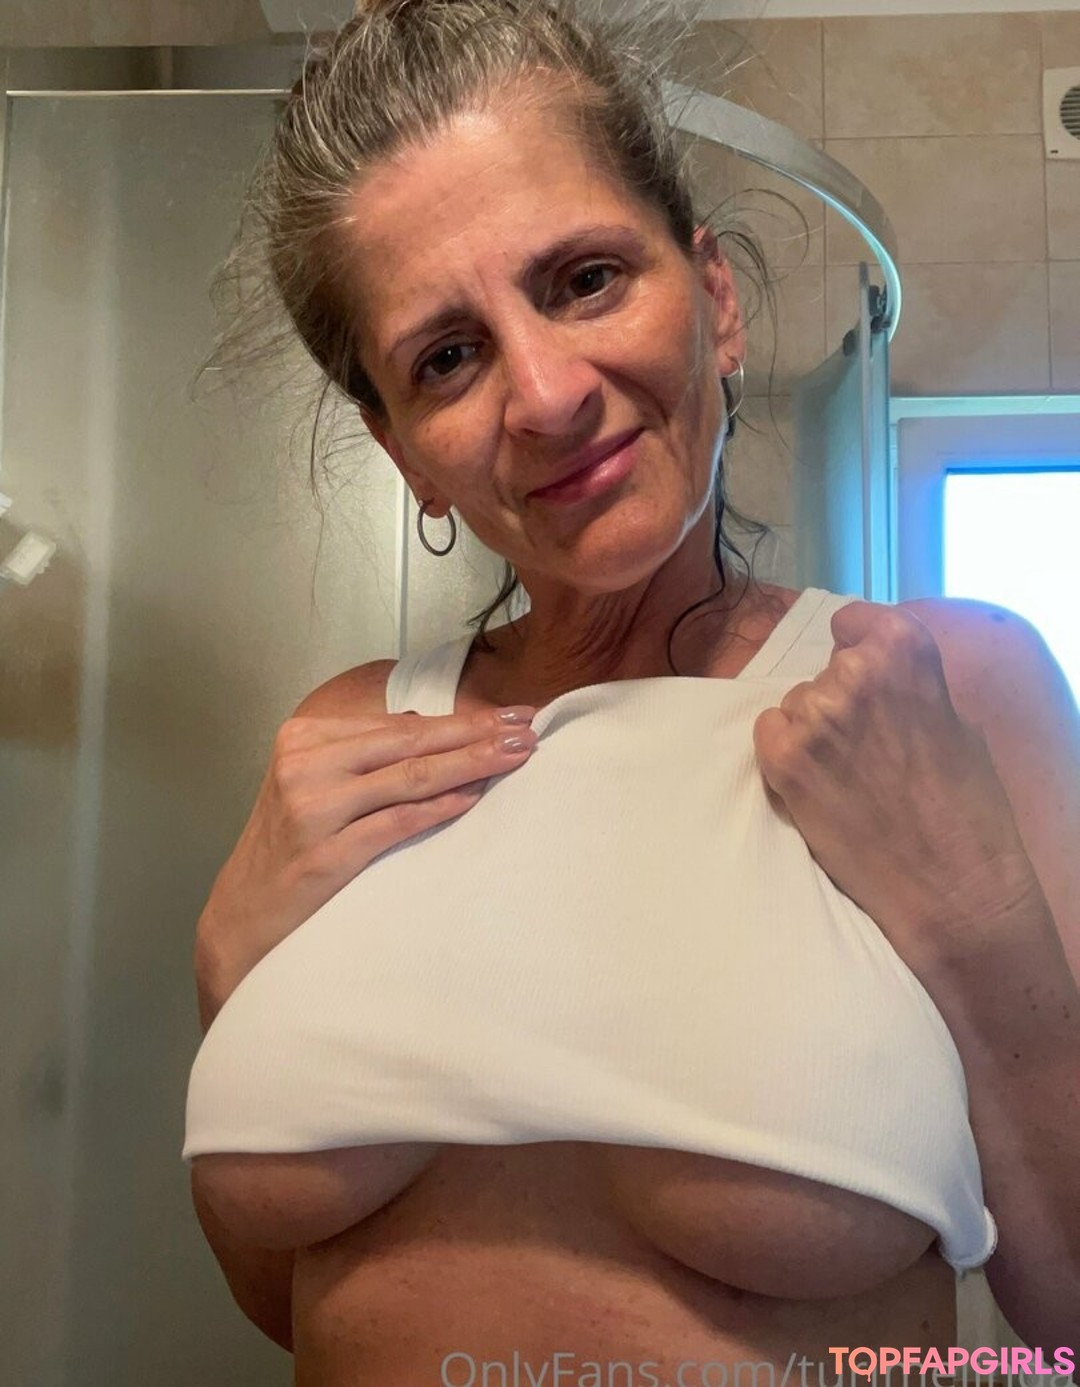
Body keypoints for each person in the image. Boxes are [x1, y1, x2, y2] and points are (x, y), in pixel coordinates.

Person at [184, 0, 1080, 1379]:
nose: (545, 396)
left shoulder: (950, 689)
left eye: (587, 279)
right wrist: (222, 965)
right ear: (404, 450)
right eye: (447, 356)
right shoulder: (343, 743)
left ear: (715, 300)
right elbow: (277, 1291)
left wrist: (972, 911)